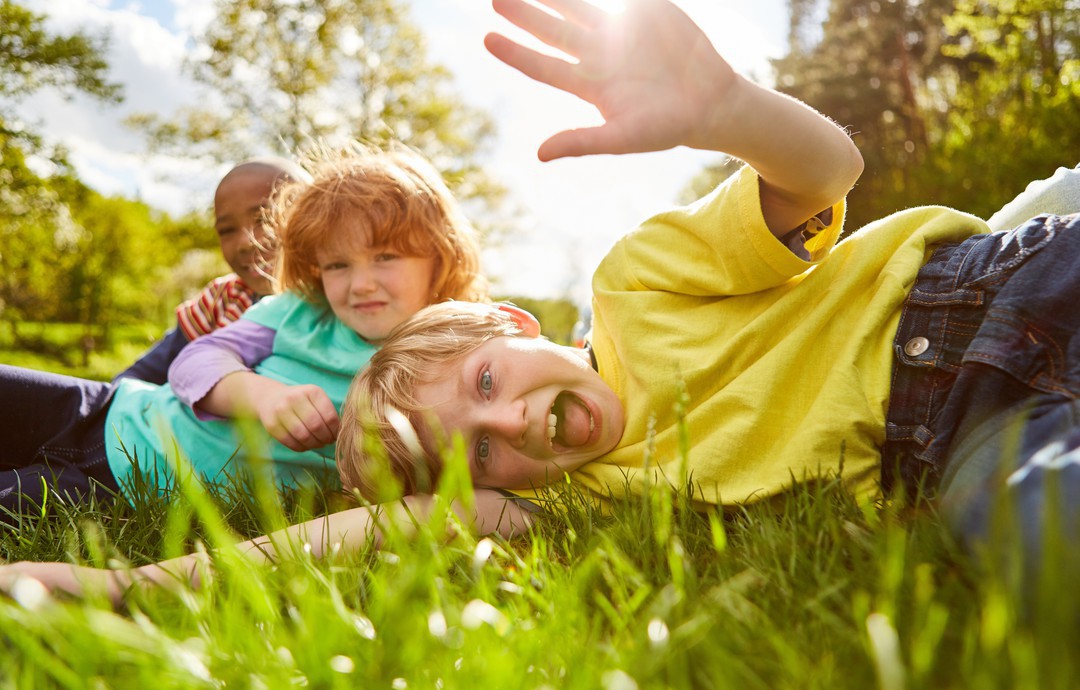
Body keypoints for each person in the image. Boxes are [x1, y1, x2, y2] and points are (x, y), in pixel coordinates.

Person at [2, 0, 1075, 604]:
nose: (508, 424)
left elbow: (826, 170)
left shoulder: (635, 287)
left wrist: (730, 109)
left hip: (1004, 286)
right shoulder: (592, 499)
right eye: (478, 453)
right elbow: (379, 527)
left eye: (484, 383)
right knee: (1046, 549)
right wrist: (137, 585)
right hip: (972, 436)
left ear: (513, 328)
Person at [0, 144, 487, 513]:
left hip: (131, 478)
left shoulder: (443, 362)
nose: (360, 284)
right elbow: (192, 362)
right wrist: (263, 396)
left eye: (385, 257)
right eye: (337, 264)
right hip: (107, 410)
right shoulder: (299, 309)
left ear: (439, 255)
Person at [116, 158, 310, 385]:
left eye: (264, 219)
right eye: (227, 230)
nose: (246, 243)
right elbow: (134, 379)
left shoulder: (339, 305)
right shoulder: (221, 301)